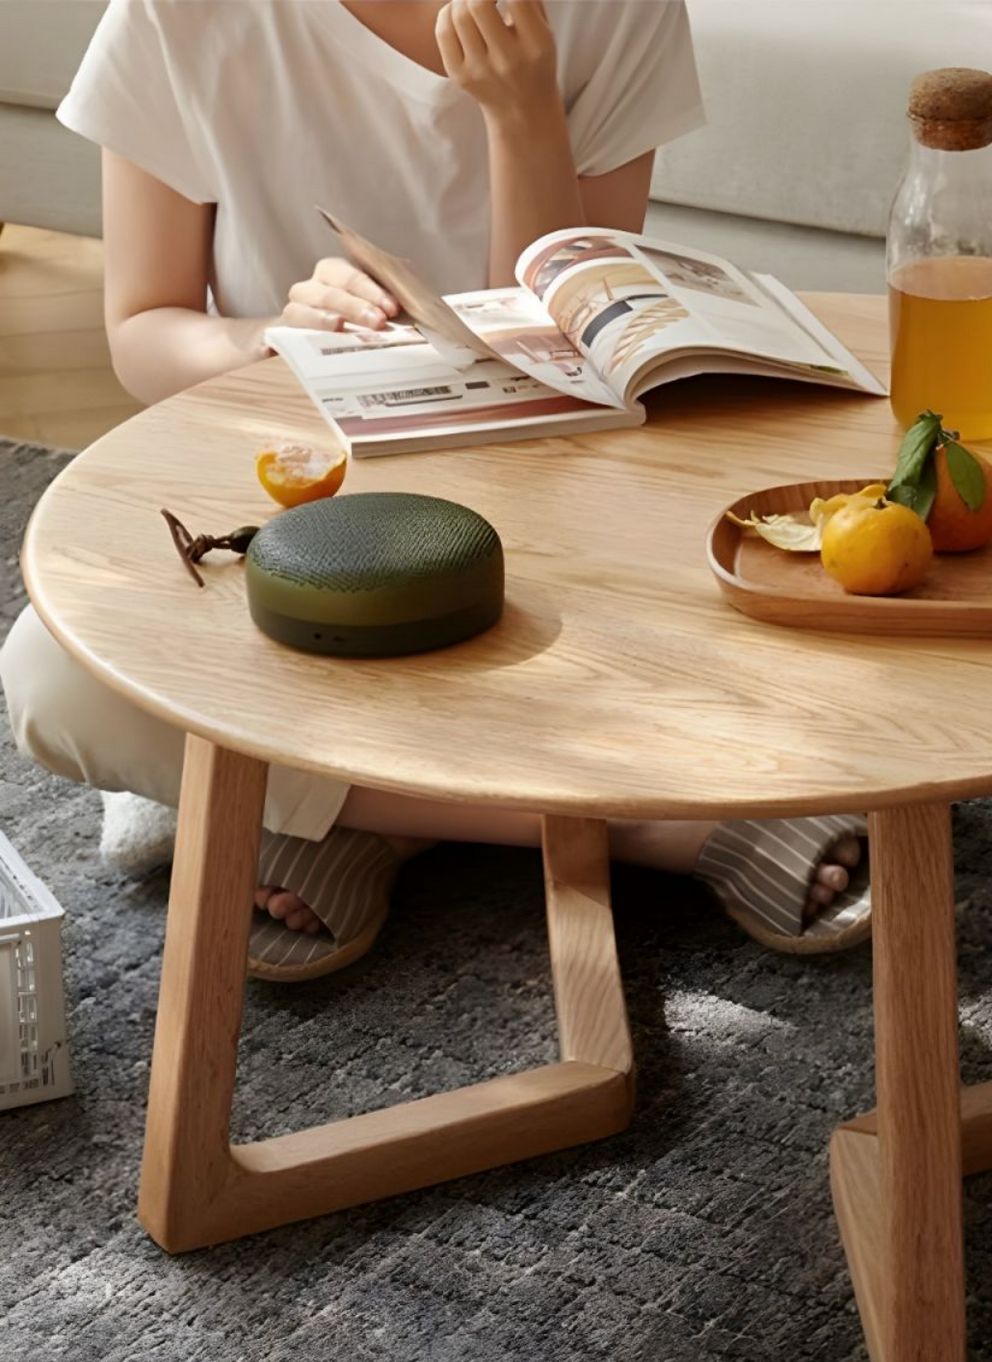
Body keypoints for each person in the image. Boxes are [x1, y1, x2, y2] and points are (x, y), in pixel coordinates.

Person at [0, 0, 870, 980]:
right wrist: (273, 342)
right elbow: (143, 330)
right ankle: (661, 827)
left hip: (554, 497)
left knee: (775, 625)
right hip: (302, 509)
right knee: (52, 681)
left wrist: (523, 112)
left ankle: (337, 804)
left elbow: (562, 355)